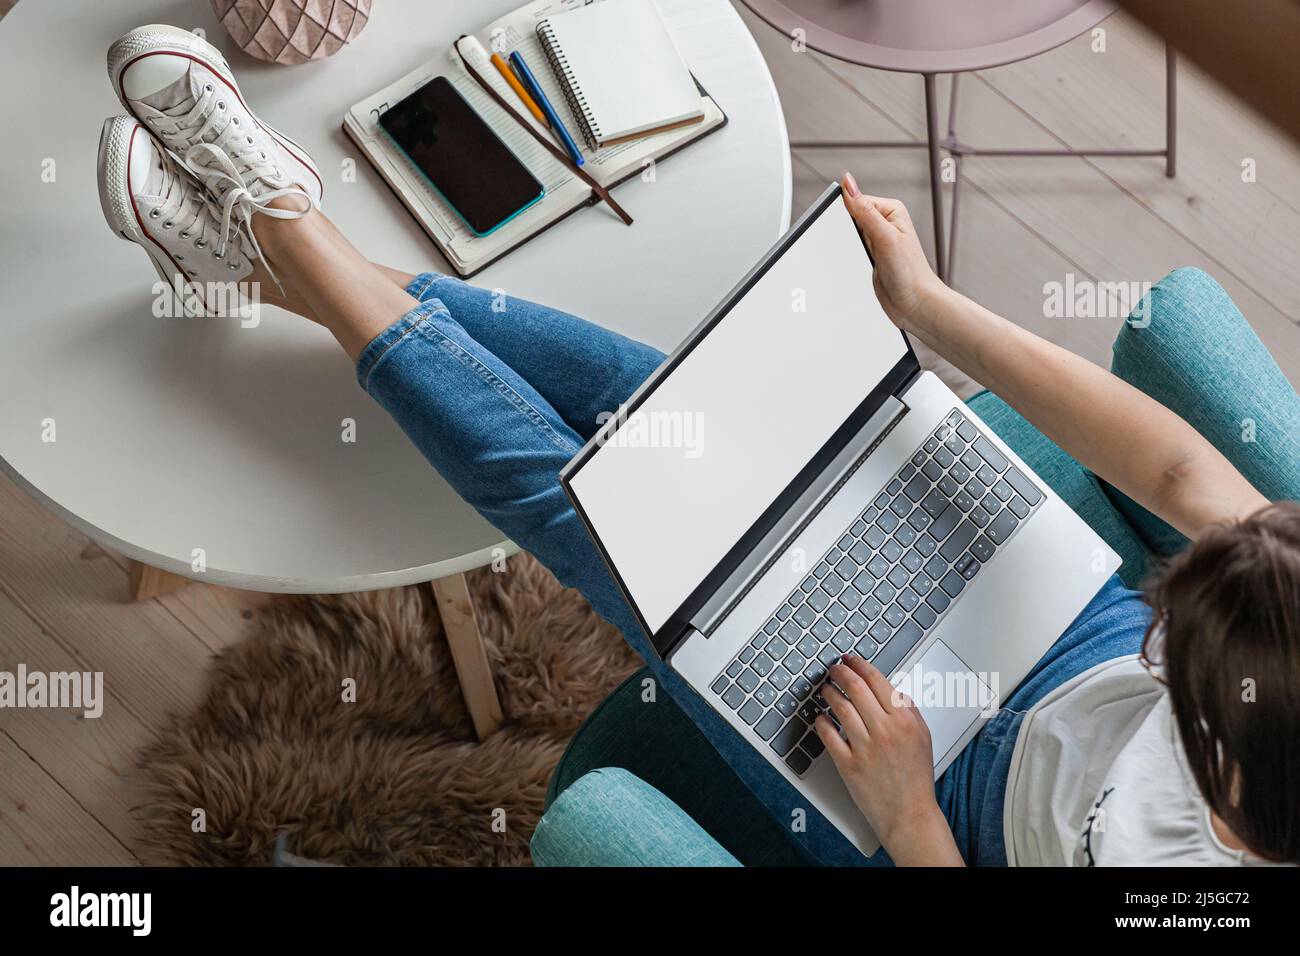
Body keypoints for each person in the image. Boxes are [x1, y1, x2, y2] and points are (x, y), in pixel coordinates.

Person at [101, 25, 1298, 866]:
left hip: (937, 784)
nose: (1158, 639)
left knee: (627, 521)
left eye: (1170, 665)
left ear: (1233, 799)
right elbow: (1186, 476)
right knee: (706, 418)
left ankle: (281, 224)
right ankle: (271, 260)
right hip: (1047, 607)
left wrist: (904, 811)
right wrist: (930, 309)